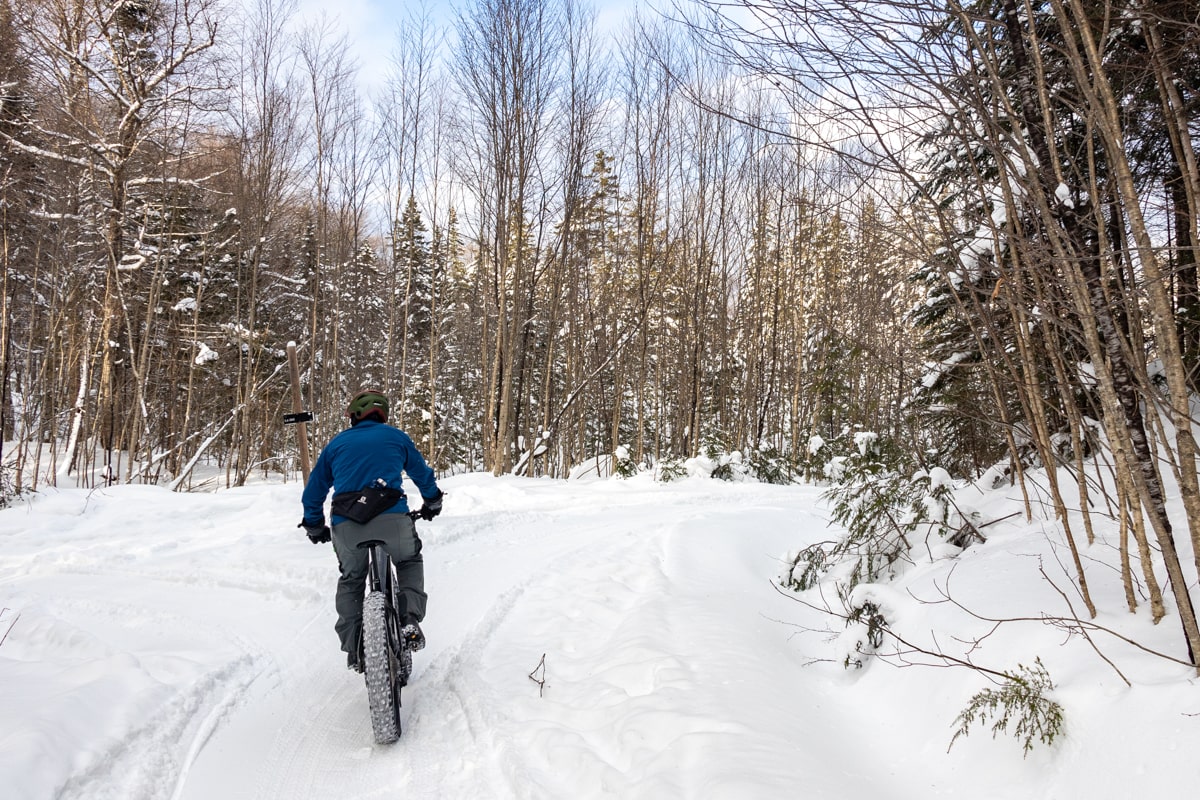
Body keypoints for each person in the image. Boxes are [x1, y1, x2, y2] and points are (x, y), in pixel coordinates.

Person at [299, 389, 443, 672]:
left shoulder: (336, 444)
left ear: (354, 415)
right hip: (392, 519)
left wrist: (315, 525)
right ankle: (409, 619)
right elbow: (422, 474)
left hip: (346, 524)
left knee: (352, 578)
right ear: (382, 414)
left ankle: (355, 647)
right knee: (408, 560)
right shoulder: (396, 437)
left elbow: (313, 491)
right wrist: (433, 501)